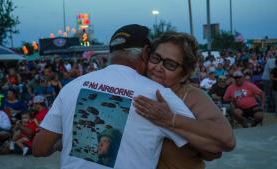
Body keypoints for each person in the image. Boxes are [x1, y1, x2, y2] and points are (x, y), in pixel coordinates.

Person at [32, 24, 195, 169]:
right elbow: (208, 145)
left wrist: (64, 140)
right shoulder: (158, 94)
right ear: (145, 53)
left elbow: (39, 148)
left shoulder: (73, 86)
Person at [133, 32, 235, 169]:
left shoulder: (191, 96)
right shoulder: (137, 87)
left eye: (169, 64)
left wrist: (169, 120)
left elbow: (227, 140)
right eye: (155, 58)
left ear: (184, 74)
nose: (158, 67)